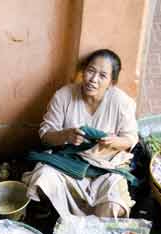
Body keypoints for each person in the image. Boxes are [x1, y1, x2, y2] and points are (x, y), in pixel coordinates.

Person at [23, 49, 138, 219]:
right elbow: (45, 136)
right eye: (90, 71)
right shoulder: (64, 96)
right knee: (42, 178)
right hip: (68, 165)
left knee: (114, 204)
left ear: (112, 82)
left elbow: (130, 139)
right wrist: (66, 135)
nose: (93, 79)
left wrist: (114, 142)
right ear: (83, 71)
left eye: (102, 76)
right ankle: (55, 216)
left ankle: (93, 233)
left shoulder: (121, 102)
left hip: (105, 170)